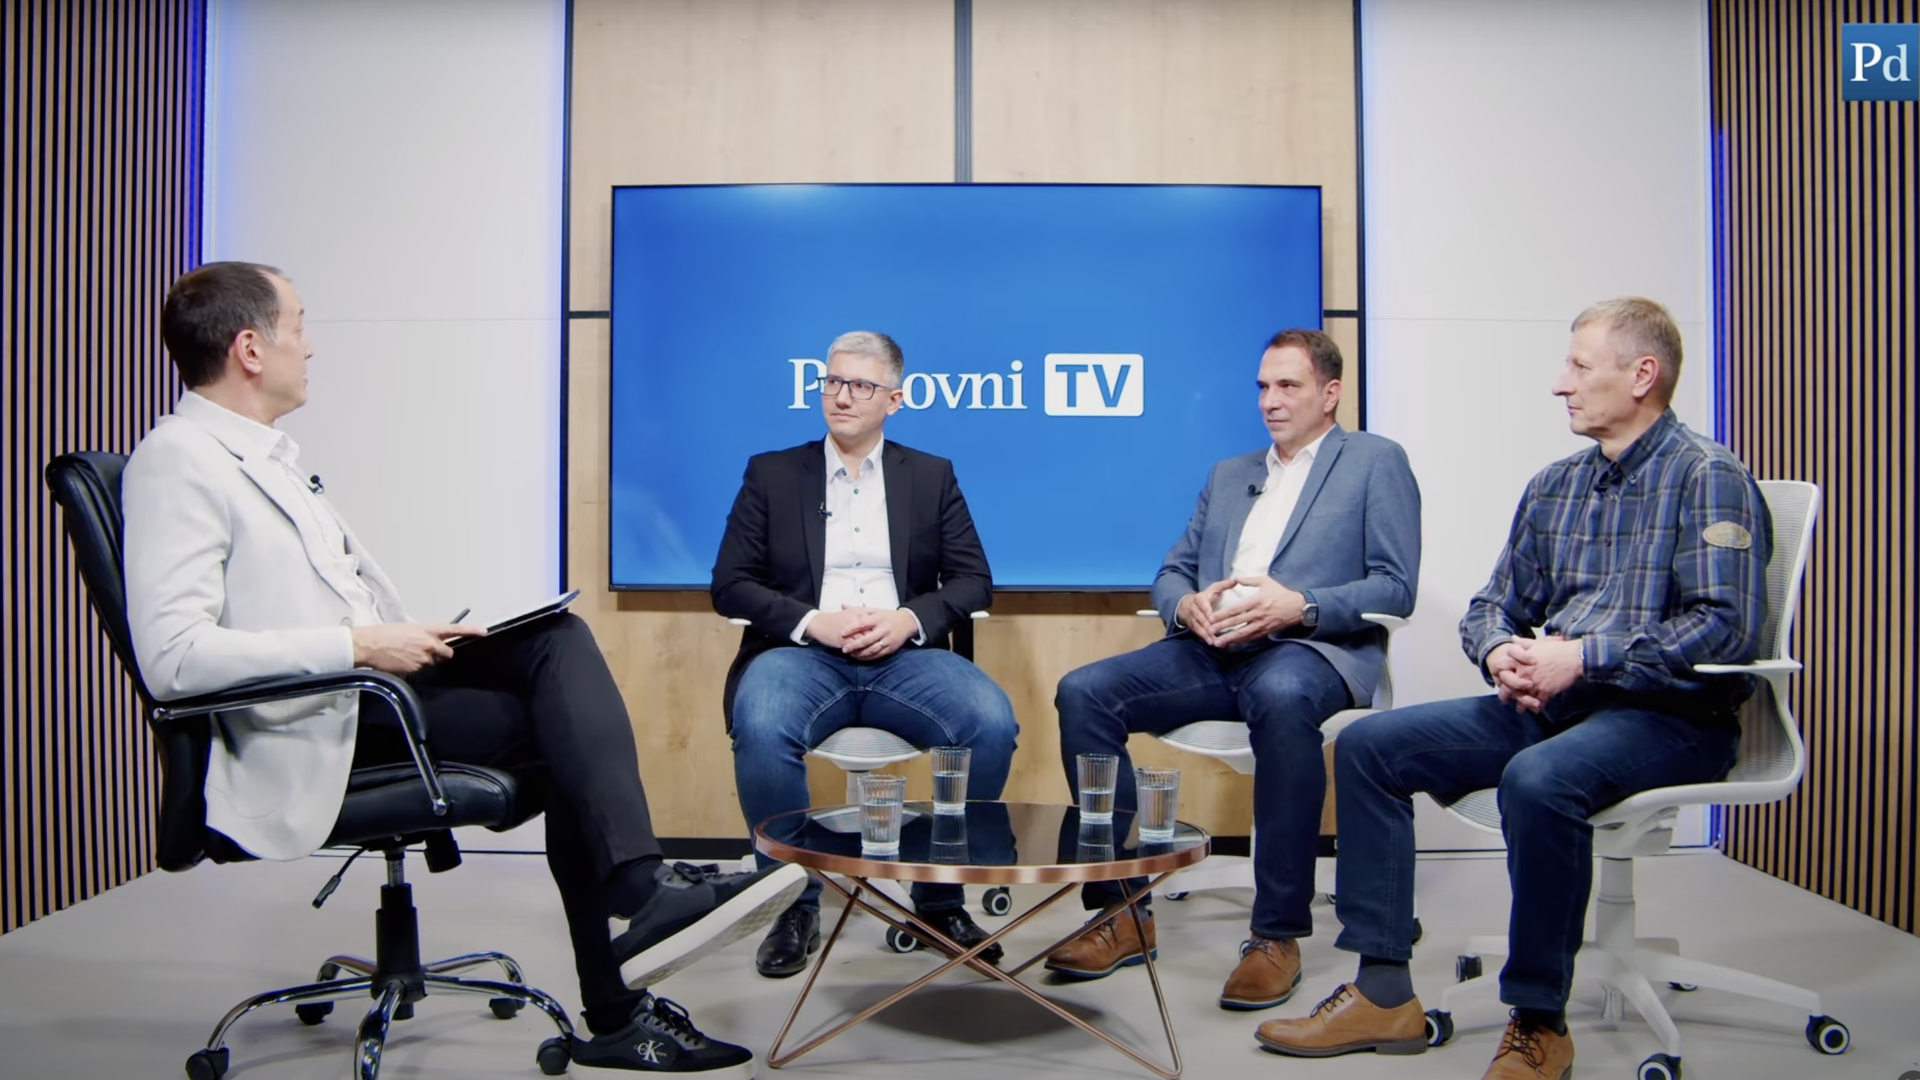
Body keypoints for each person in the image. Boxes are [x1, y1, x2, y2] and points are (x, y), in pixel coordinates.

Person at [123, 261, 806, 1076]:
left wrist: (405, 634)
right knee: (562, 725)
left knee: (554, 638)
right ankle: (628, 953)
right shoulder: (179, 461)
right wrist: (359, 646)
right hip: (310, 726)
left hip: (358, 696)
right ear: (249, 348)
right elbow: (173, 660)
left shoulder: (267, 458)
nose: (310, 346)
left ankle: (635, 919)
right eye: (299, 325)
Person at [1256, 298, 1771, 1080]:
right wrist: (1500, 650)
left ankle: (1538, 1021)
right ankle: (1383, 991)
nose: (1560, 383)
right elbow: (1492, 605)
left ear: (1642, 374)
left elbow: (1725, 630)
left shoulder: (1709, 477)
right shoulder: (1556, 485)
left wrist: (1585, 658)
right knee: (1367, 747)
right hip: (1555, 706)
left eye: (1579, 366)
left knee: (1538, 779)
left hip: (1671, 717)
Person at [1048, 329, 1421, 1008]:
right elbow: (1173, 570)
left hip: (1308, 650)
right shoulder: (1230, 474)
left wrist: (1301, 605)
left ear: (1330, 393)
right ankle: (1123, 910)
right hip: (1212, 650)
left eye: (1288, 386)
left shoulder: (1375, 461)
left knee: (1282, 695)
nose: (1270, 401)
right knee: (1084, 693)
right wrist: (1184, 605)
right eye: (1263, 387)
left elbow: (1396, 587)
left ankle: (1276, 935)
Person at [712, 330, 1019, 978]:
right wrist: (812, 622)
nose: (841, 396)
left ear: (894, 399)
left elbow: (974, 581)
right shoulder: (773, 473)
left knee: (991, 721)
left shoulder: (930, 475)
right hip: (801, 656)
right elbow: (730, 584)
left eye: (859, 385)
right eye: (832, 382)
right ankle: (792, 903)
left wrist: (908, 619)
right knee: (760, 721)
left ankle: (937, 900)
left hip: (905, 658)